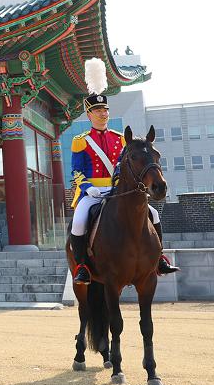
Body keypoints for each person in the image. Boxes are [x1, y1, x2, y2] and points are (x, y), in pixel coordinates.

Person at [69, 58, 178, 285]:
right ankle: (82, 267)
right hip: (91, 193)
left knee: (154, 215)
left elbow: (122, 165)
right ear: (89, 114)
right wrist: (89, 189)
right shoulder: (81, 141)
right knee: (79, 222)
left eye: (105, 110)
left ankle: (159, 260)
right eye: (98, 110)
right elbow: (77, 171)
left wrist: (120, 183)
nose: (103, 114)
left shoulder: (120, 139)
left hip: (117, 189)